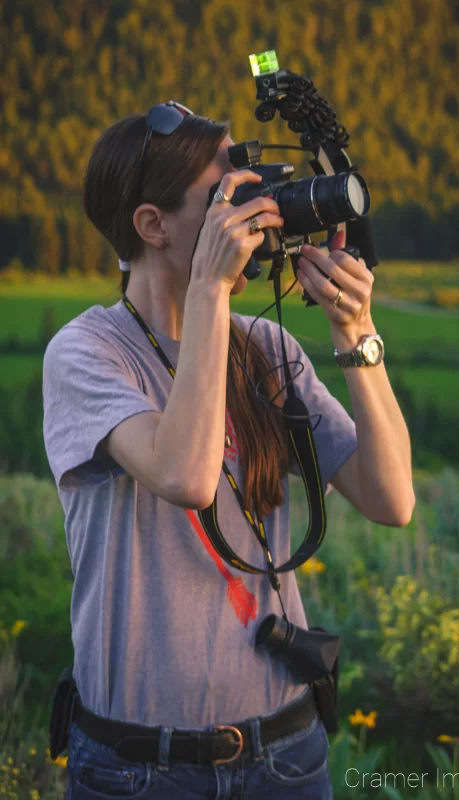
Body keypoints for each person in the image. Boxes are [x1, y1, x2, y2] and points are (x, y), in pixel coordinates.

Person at [42, 102, 415, 800]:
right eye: (227, 199)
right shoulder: (89, 354)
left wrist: (356, 334)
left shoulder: (266, 347)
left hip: (285, 750)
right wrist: (210, 287)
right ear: (152, 226)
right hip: (137, 765)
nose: (254, 213)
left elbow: (392, 499)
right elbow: (186, 475)